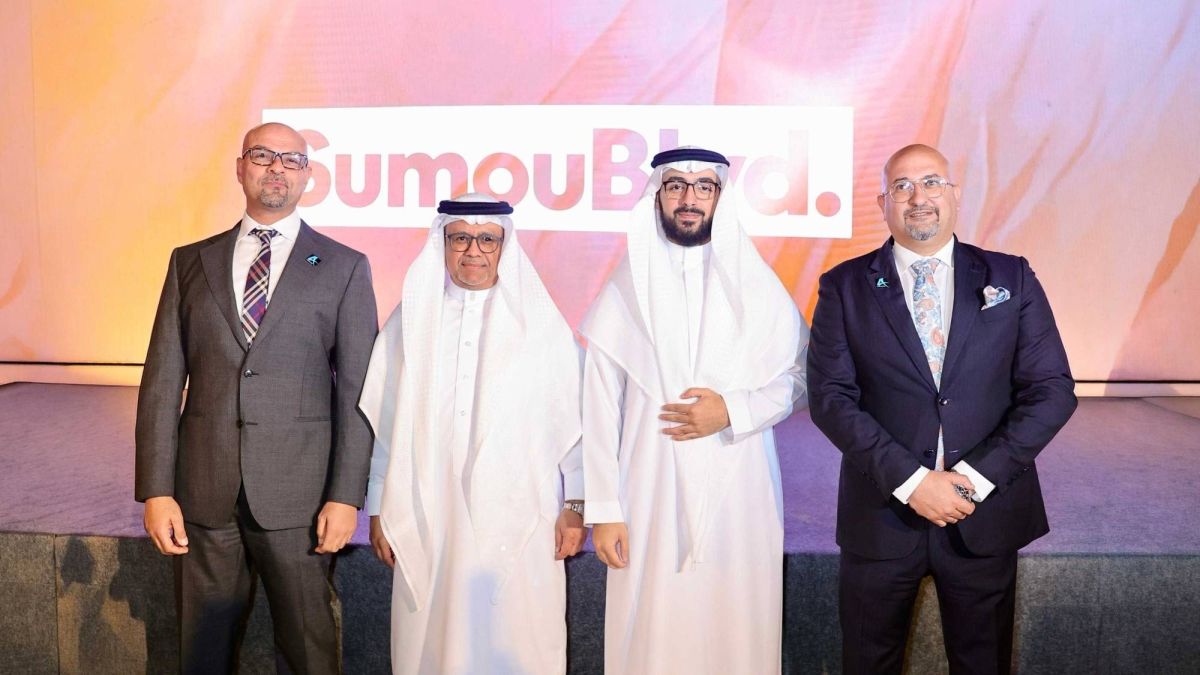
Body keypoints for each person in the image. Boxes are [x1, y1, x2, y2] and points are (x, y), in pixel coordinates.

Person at [807, 144, 1077, 674]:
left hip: (984, 515)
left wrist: (971, 480)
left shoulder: (1011, 277)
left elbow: (1052, 390)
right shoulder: (844, 286)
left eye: (931, 182)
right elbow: (831, 399)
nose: (919, 198)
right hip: (881, 516)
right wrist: (913, 483)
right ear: (883, 202)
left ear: (954, 194)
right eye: (902, 186)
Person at [135, 122, 378, 674]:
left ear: (308, 176)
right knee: (202, 652)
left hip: (302, 500)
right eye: (263, 156)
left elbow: (357, 395)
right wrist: (156, 489)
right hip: (203, 494)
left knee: (309, 650)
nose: (276, 169)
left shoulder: (343, 267)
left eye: (292, 160)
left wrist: (346, 496)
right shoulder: (189, 261)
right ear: (240, 167)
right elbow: (162, 383)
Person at [582, 147, 808, 674]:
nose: (689, 198)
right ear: (657, 196)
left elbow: (801, 378)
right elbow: (598, 406)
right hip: (646, 490)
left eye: (704, 186)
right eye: (676, 186)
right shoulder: (625, 290)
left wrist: (733, 410)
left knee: (735, 625)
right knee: (652, 629)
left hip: (741, 488)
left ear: (720, 197)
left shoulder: (757, 285)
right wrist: (605, 509)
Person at [358, 194, 585, 674]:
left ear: (505, 246)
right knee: (431, 641)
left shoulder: (541, 327)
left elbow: (575, 427)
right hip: (428, 507)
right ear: (442, 243)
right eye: (460, 238)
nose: (473, 250)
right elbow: (385, 425)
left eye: (487, 239)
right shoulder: (410, 322)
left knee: (516, 635)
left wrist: (577, 505)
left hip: (523, 510)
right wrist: (378, 505)